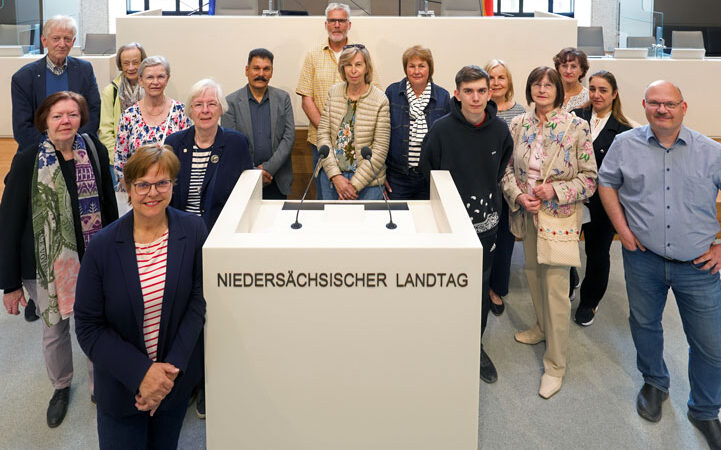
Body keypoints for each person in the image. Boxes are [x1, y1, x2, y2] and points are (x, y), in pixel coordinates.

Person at [598, 80, 721, 448]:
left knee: (711, 344)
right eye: (654, 103)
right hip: (642, 259)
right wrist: (622, 229)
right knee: (645, 325)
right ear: (644, 106)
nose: (662, 110)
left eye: (669, 104)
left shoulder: (710, 151)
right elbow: (606, 183)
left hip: (699, 267)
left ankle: (705, 409)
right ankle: (655, 382)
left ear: (683, 108)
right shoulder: (625, 145)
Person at [75, 144, 207, 449]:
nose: (153, 193)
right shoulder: (102, 247)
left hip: (172, 384)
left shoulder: (193, 230)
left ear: (174, 184)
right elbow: (88, 327)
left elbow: (198, 303)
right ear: (128, 187)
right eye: (142, 184)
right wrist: (142, 373)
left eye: (162, 183)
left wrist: (167, 374)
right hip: (122, 389)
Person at [0, 91, 118, 428]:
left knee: (96, 324)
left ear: (81, 117)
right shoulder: (27, 159)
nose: (65, 121)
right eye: (57, 116)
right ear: (45, 122)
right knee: (55, 330)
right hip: (42, 266)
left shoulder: (94, 150)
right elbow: (8, 221)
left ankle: (101, 387)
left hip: (93, 261)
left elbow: (108, 207)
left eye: (72, 114)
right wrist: (9, 285)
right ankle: (61, 386)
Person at [502, 66, 596, 399]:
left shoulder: (576, 127)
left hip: (558, 219)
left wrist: (554, 191)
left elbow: (589, 180)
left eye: (548, 85)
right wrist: (518, 195)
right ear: (529, 90)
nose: (542, 89)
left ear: (558, 90)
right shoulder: (518, 125)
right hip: (527, 215)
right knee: (533, 275)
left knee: (556, 289)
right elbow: (507, 172)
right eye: (536, 85)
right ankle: (541, 328)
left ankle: (555, 365)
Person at [419, 65, 513, 384]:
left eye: (481, 91)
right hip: (447, 230)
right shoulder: (441, 130)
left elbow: (500, 168)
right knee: (443, 287)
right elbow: (427, 175)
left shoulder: (500, 131)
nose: (475, 98)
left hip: (486, 229)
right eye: (468, 91)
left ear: (490, 93)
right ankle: (442, 345)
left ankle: (475, 345)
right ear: (457, 94)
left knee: (478, 292)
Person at [570, 70, 632, 327]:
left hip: (603, 204)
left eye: (603, 90)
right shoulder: (574, 117)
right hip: (571, 199)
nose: (596, 95)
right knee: (566, 248)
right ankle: (570, 282)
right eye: (593, 89)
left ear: (614, 94)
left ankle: (589, 302)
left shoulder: (624, 131)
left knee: (597, 254)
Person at [167, 78, 254, 231]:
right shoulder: (174, 143)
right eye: (198, 104)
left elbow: (246, 193)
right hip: (181, 231)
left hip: (222, 230)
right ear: (190, 111)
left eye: (212, 104)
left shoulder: (237, 144)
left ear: (221, 109)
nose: (205, 110)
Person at [11, 15, 101, 151]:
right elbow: (22, 127)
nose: (62, 44)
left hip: (79, 148)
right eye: (56, 38)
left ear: (73, 41)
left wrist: (74, 144)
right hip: (38, 150)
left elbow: (93, 111)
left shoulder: (85, 70)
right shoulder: (23, 78)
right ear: (44, 40)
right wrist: (51, 147)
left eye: (67, 39)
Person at [317, 44, 389, 200]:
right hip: (332, 179)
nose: (353, 70)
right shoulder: (333, 92)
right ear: (342, 68)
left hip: (368, 183)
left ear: (367, 68)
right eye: (348, 65)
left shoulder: (380, 99)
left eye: (358, 64)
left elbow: (380, 150)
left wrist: (353, 185)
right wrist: (336, 177)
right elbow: (323, 136)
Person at [296, 3, 353, 198]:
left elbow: (372, 94)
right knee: (325, 199)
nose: (337, 25)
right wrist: (328, 132)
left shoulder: (359, 55)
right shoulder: (313, 55)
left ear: (349, 25)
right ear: (326, 24)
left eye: (341, 21)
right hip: (321, 142)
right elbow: (306, 99)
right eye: (332, 21)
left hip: (354, 142)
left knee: (353, 198)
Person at [484, 59, 526, 316]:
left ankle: (496, 289)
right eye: (491, 77)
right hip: (482, 184)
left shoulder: (520, 111)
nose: (496, 82)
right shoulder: (479, 107)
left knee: (504, 240)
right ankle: (478, 284)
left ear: (508, 81)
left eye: (501, 77)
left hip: (509, 187)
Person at [222, 48, 294, 199]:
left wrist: (268, 169)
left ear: (272, 72)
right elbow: (231, 145)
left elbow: (288, 138)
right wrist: (254, 173)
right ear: (247, 70)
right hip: (243, 179)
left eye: (266, 69)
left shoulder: (283, 99)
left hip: (276, 179)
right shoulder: (231, 102)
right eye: (256, 68)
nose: (261, 74)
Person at [384, 45, 450, 200]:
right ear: (405, 69)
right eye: (411, 66)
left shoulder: (442, 96)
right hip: (397, 176)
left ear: (430, 68)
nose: (416, 71)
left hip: (429, 177)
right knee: (399, 220)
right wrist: (381, 174)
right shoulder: (392, 93)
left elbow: (446, 140)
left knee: (427, 221)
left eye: (422, 66)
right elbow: (383, 135)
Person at [114, 56, 192, 187]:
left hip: (173, 189)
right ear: (140, 80)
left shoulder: (181, 112)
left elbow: (188, 156)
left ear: (167, 79)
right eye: (150, 77)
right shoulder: (128, 115)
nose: (155, 82)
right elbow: (120, 161)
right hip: (139, 191)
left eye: (160, 77)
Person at [553, 47, 591, 301]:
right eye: (564, 65)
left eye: (573, 66)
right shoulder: (550, 92)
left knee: (573, 228)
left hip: (578, 174)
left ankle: (569, 273)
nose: (568, 71)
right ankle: (565, 273)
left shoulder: (589, 97)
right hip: (552, 170)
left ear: (581, 71)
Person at [98, 42, 147, 181]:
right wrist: (118, 158)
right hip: (118, 163)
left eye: (135, 62)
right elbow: (105, 130)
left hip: (147, 161)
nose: (131, 67)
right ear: (121, 65)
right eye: (126, 63)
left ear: (143, 63)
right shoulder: (111, 91)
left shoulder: (151, 88)